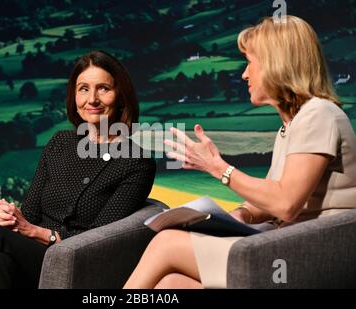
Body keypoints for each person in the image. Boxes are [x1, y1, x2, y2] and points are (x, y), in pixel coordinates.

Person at [124, 15, 356, 289]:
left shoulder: (319, 115)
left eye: (250, 63)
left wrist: (218, 168)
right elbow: (273, 195)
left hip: (309, 253)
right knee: (171, 284)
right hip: (286, 242)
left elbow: (286, 204)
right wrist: (240, 215)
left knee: (166, 244)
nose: (245, 74)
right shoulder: (293, 124)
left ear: (275, 64)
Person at [0, 50, 156, 288]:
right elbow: (29, 212)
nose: (92, 99)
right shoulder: (60, 143)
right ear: (74, 97)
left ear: (121, 96)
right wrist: (11, 216)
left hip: (77, 261)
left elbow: (99, 240)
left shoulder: (136, 161)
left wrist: (38, 233)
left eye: (103, 88)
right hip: (33, 256)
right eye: (83, 89)